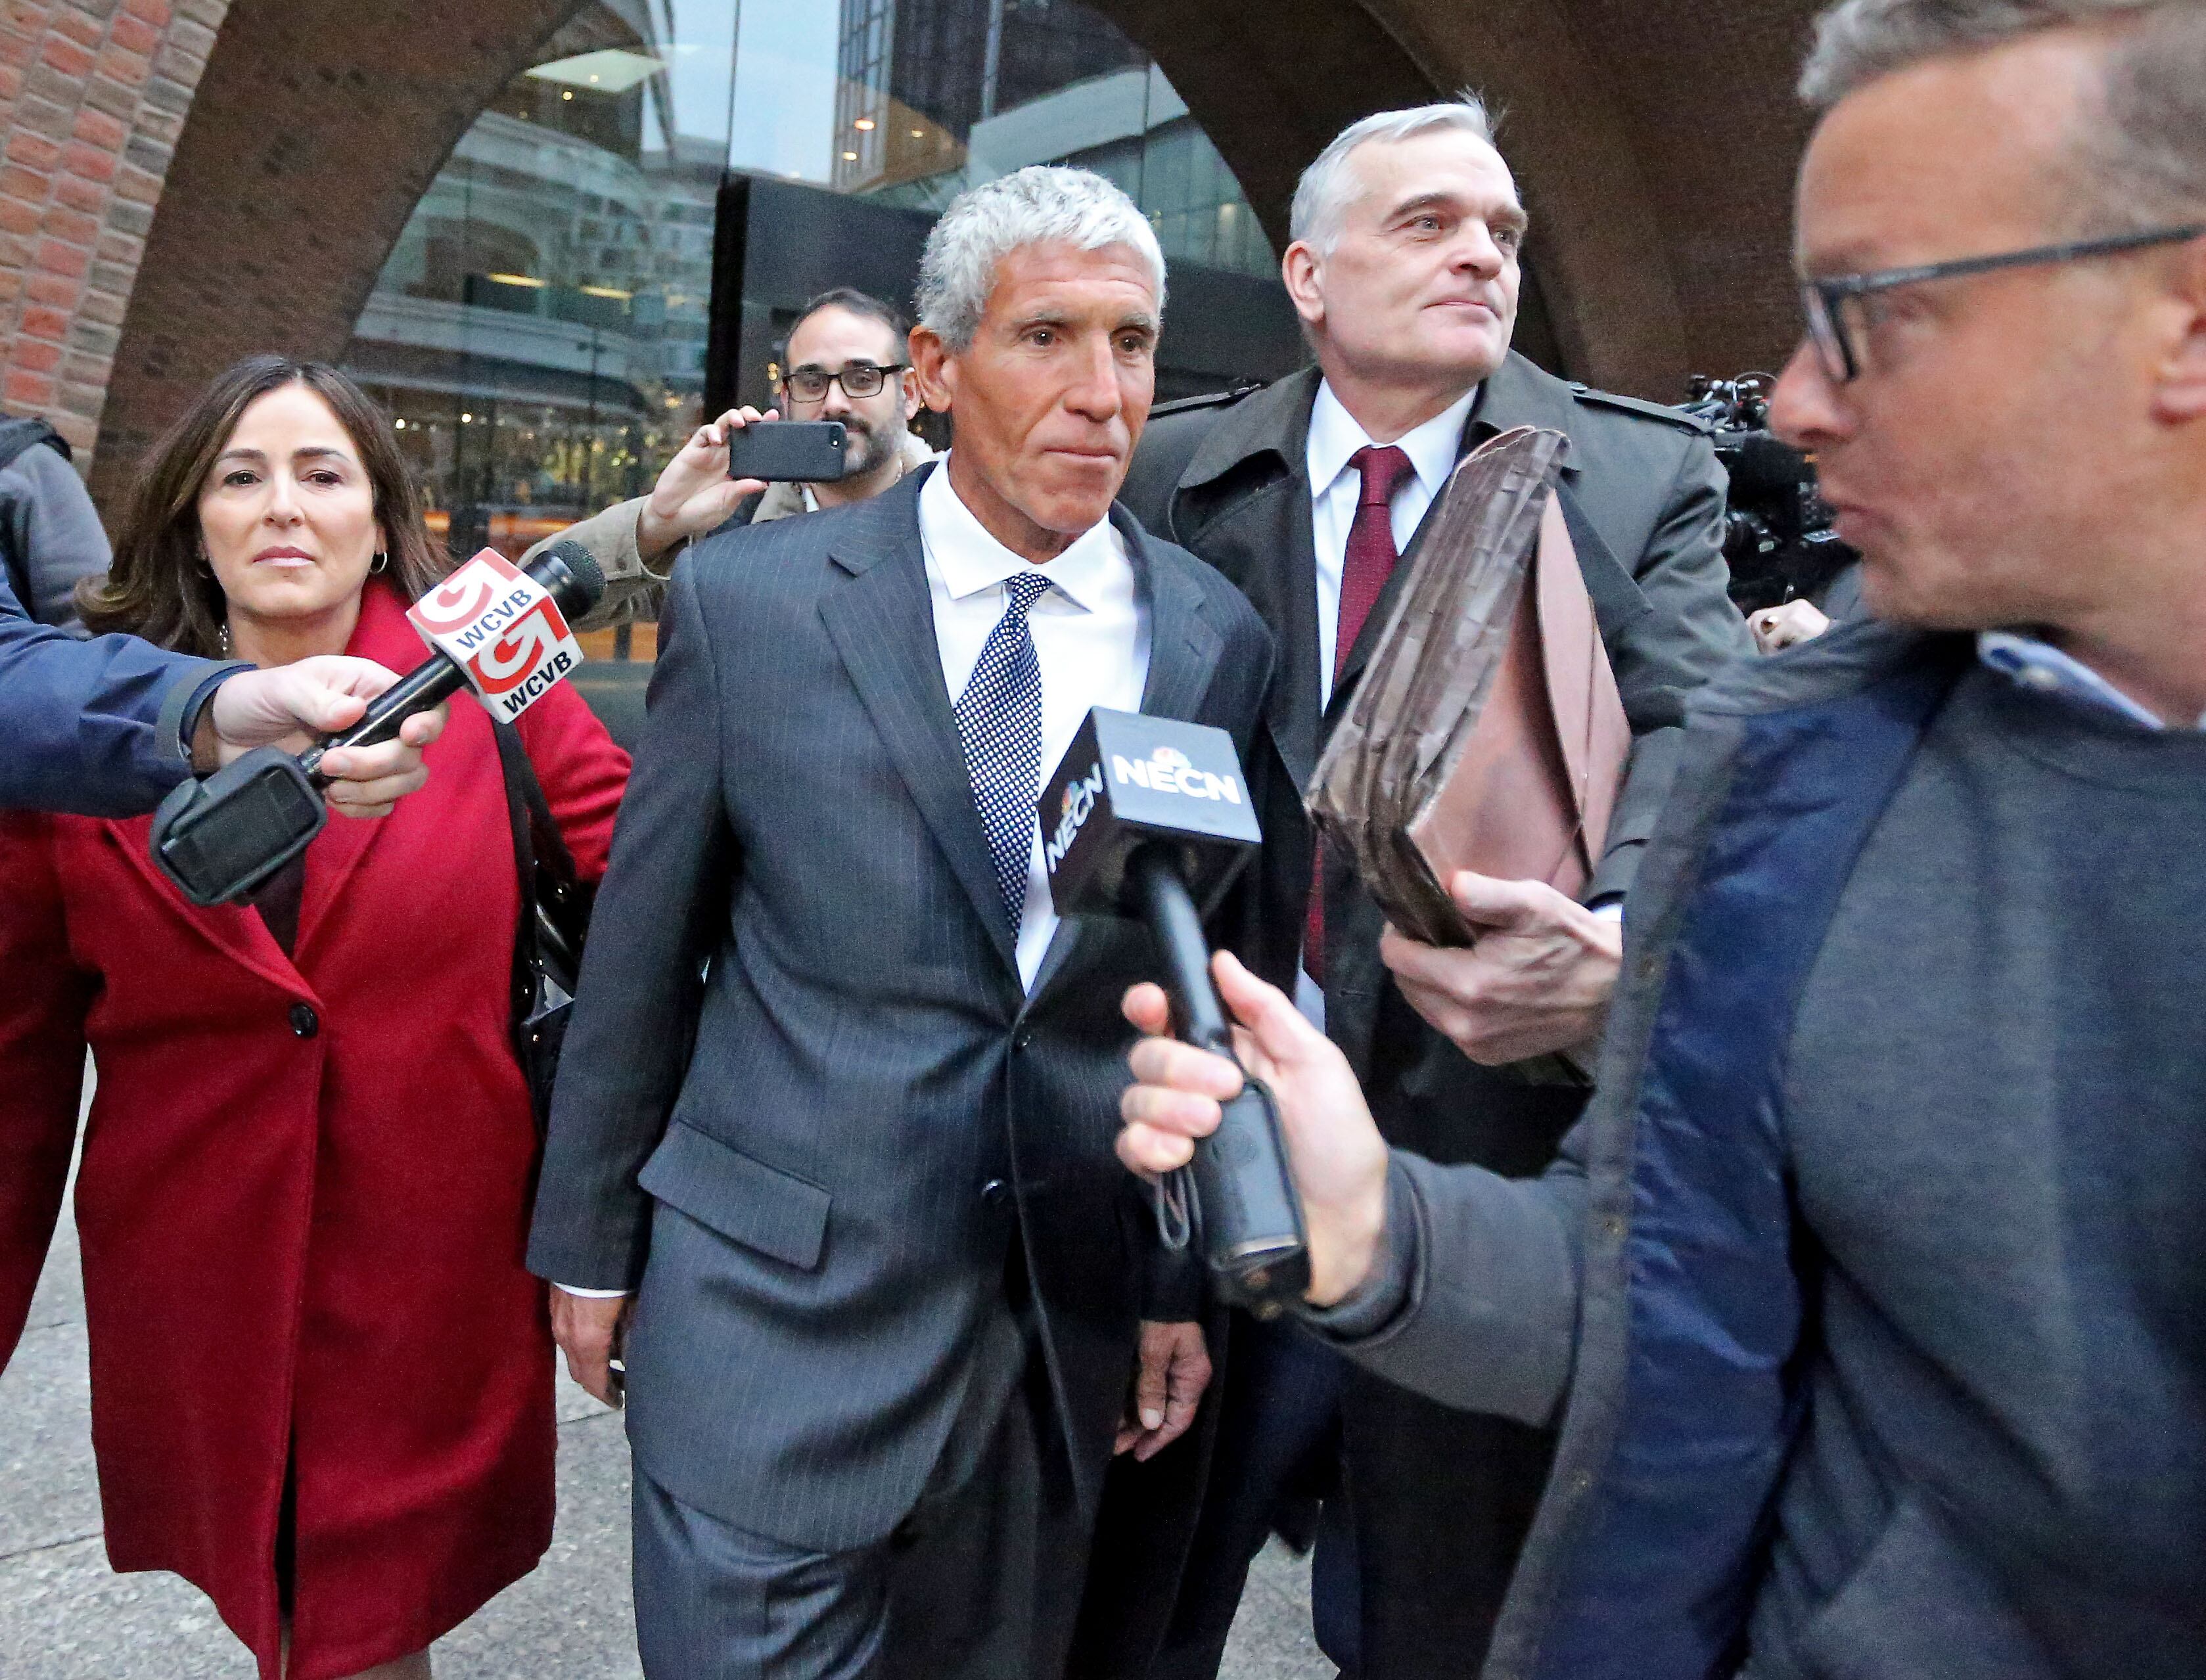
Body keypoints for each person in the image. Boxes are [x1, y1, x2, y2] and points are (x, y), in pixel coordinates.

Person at [1118, 3, 2206, 1676]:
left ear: (2180, 326)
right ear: (1307, 276)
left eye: (1872, 313)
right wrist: (1377, 1228)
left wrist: (1602, 963)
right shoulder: (1814, 767)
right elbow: (1669, 1279)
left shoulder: (1635, 511)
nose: (1794, 404)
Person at [524, 165, 1271, 1680]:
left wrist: (1170, 1277)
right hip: (766, 1326)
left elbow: (1200, 990)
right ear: (932, 369)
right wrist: (588, 1243)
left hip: (1045, 1347)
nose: (1100, 391)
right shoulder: (753, 603)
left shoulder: (1212, 636)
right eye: (1046, 337)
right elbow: (645, 950)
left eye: (1131, 343)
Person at [1113, 97, 1751, 1678]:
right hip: (1215, 1150)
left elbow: (1704, 735)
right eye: (1428, 223)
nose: (1481, 254)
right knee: (1134, 1607)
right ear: (1308, 275)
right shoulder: (1175, 468)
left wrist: (1611, 943)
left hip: (1483, 1164)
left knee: (1433, 1627)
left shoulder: (1630, 474)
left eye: (1502, 232)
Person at [0, 355, 631, 1680]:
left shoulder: (488, 670)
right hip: (196, 1285)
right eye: (241, 477)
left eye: (322, 473)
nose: (282, 506)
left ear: (380, 517)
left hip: (429, 1277)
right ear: (194, 524)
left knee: (350, 1626)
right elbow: (19, 1058)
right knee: (289, 1612)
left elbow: (649, 887)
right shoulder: (85, 729)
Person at [528, 288, 931, 628]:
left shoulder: (948, 522)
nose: (835, 402)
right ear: (786, 399)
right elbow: (528, 610)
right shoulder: (727, 528)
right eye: (812, 382)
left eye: (862, 379)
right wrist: (657, 524)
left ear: (910, 394)